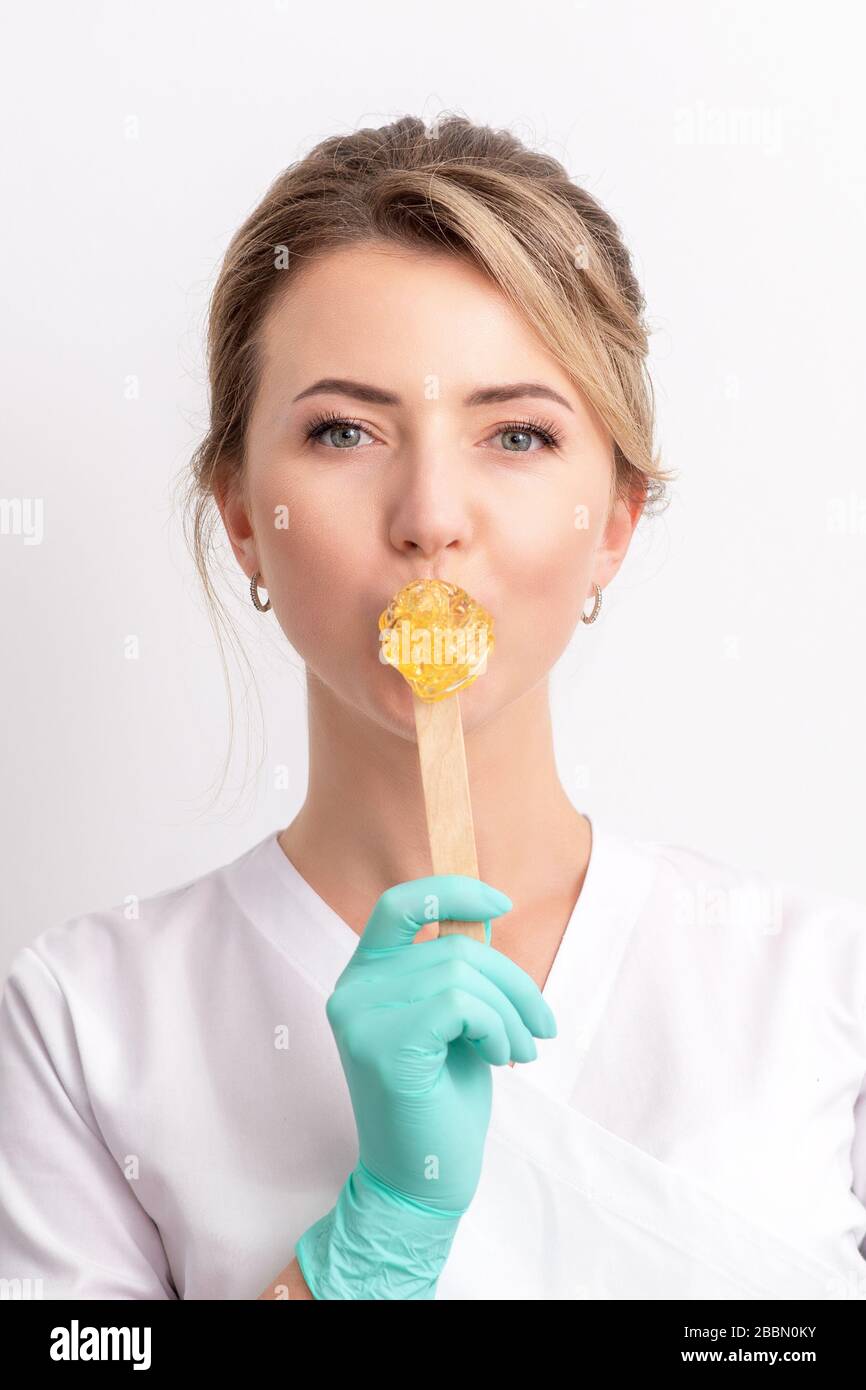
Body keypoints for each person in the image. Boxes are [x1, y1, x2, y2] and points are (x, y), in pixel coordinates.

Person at [1, 114, 865, 1301]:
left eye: (516, 432)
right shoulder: (82, 1021)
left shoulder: (819, 991)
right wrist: (373, 1241)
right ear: (245, 515)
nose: (429, 515)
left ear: (612, 520)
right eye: (343, 431)